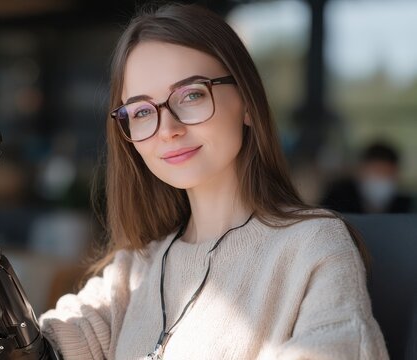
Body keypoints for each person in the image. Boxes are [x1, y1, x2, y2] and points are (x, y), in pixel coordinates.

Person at [36, 4, 388, 359]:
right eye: (142, 111)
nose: (168, 130)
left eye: (191, 95)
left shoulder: (312, 246)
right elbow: (41, 345)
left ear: (247, 102)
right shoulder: (138, 265)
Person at [321, 141, 413, 213]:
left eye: (388, 174)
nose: (381, 179)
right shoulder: (338, 198)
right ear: (361, 171)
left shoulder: (406, 205)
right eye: (377, 172)